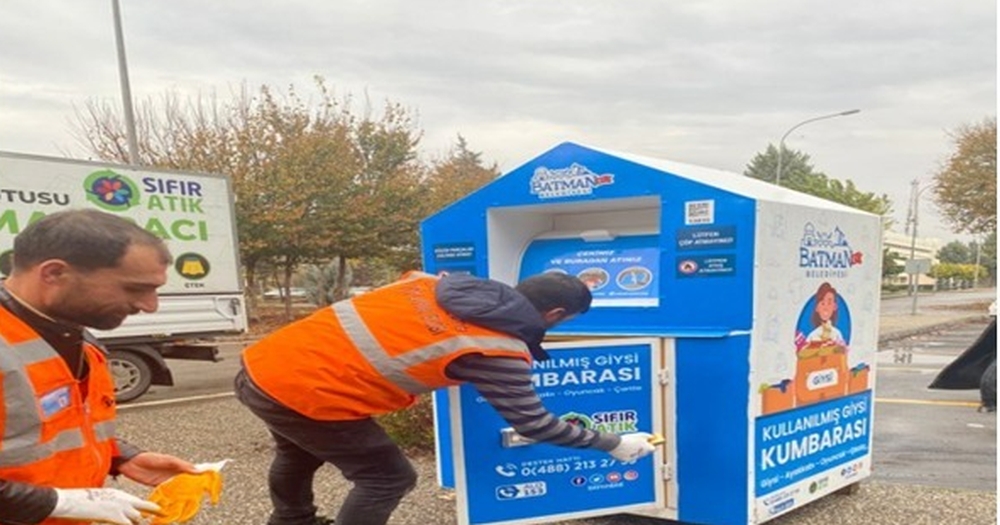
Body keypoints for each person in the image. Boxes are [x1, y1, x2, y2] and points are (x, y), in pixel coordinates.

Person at [236, 271, 657, 525]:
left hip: (261, 366)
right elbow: (535, 424)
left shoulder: (431, 284)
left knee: (297, 454)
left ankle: (291, 520)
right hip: (308, 392)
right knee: (388, 477)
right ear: (555, 316)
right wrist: (614, 443)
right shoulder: (497, 349)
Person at [0, 209, 198, 525]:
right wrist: (60, 503)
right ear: (53, 274)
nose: (150, 306)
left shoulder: (72, 330)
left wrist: (122, 457)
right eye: (135, 289)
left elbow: (54, 427)